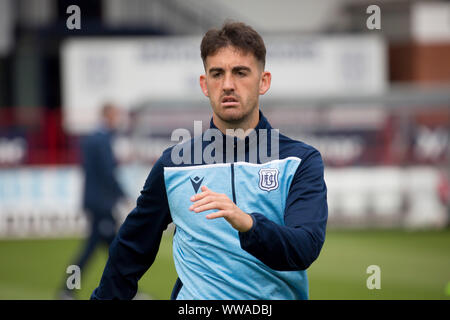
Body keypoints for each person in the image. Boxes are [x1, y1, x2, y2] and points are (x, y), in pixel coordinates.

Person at [91, 22, 328, 300]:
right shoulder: (174, 165)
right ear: (205, 84)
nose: (228, 85)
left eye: (241, 72)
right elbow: (130, 251)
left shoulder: (300, 160)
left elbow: (304, 248)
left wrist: (249, 224)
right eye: (217, 73)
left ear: (263, 81)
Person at [59, 103, 126, 299]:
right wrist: (123, 194)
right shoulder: (103, 140)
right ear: (108, 116)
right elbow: (107, 172)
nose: (118, 120)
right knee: (103, 250)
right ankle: (67, 289)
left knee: (113, 250)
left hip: (94, 201)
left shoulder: (91, 138)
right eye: (115, 115)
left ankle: (68, 289)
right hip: (102, 204)